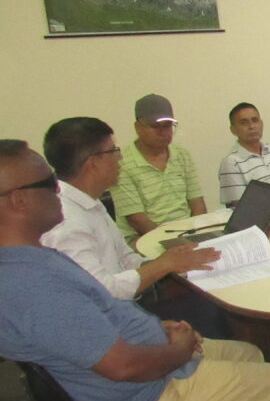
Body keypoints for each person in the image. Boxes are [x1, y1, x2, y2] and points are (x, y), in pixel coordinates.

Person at [0, 140, 270, 401]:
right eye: (48, 183)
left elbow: (91, 322)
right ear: (18, 200)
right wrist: (178, 347)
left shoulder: (29, 259)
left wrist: (155, 329)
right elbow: (123, 366)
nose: (58, 189)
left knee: (249, 353)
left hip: (141, 374)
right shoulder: (33, 286)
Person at [40, 117, 231, 338]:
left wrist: (167, 261)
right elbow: (102, 292)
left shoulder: (91, 203)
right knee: (214, 313)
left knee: (208, 306)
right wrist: (164, 265)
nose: (120, 158)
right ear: (93, 163)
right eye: (113, 151)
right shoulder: (66, 220)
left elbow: (125, 259)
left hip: (125, 315)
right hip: (112, 333)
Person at [111, 94, 207, 243]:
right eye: (155, 126)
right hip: (143, 238)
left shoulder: (182, 155)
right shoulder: (121, 163)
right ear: (138, 128)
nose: (162, 132)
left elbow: (197, 203)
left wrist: (198, 234)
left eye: (167, 126)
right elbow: (137, 220)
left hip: (187, 234)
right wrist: (173, 244)